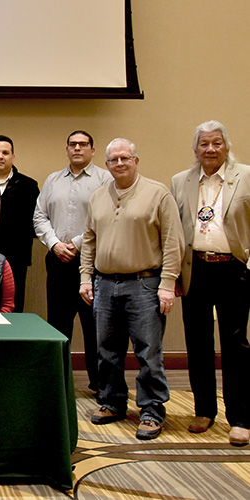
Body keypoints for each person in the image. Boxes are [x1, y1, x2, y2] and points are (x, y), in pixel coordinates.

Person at [79, 138, 184, 440]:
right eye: (114, 160)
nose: (120, 163)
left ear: (136, 161)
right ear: (107, 164)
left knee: (148, 351)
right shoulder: (99, 195)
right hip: (105, 284)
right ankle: (112, 402)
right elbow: (89, 241)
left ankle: (151, 411)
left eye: (125, 158)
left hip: (145, 283)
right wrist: (86, 278)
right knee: (106, 350)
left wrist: (167, 284)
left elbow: (172, 242)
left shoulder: (158, 194)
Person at [171, 120, 250, 446]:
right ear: (195, 149)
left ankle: (241, 417)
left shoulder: (245, 176)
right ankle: (204, 410)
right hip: (196, 270)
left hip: (234, 269)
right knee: (198, 343)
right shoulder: (180, 181)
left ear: (226, 146)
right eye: (204, 144)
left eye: (216, 143)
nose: (210, 149)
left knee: (236, 345)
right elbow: (174, 231)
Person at [33, 130, 111, 394]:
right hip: (57, 262)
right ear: (66, 149)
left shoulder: (105, 179)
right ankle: (60, 383)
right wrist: (54, 244)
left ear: (92, 150)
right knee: (58, 323)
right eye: (73, 144)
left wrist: (76, 244)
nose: (77, 148)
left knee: (94, 326)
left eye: (83, 144)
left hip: (91, 262)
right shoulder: (53, 180)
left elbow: (106, 218)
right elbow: (39, 216)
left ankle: (99, 384)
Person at [0, 135, 39, 313]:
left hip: (16, 260)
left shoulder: (28, 186)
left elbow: (35, 223)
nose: (0, 156)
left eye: (5, 153)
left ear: (13, 157)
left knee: (13, 310)